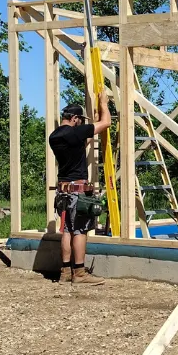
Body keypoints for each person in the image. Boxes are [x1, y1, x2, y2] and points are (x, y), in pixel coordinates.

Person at [49, 91, 112, 285]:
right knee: (80, 231)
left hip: (63, 192)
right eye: (79, 120)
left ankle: (65, 271)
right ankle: (80, 273)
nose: (80, 123)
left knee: (67, 230)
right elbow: (106, 123)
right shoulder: (76, 132)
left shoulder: (54, 136)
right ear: (75, 118)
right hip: (77, 192)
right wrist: (103, 103)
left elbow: (81, 144)